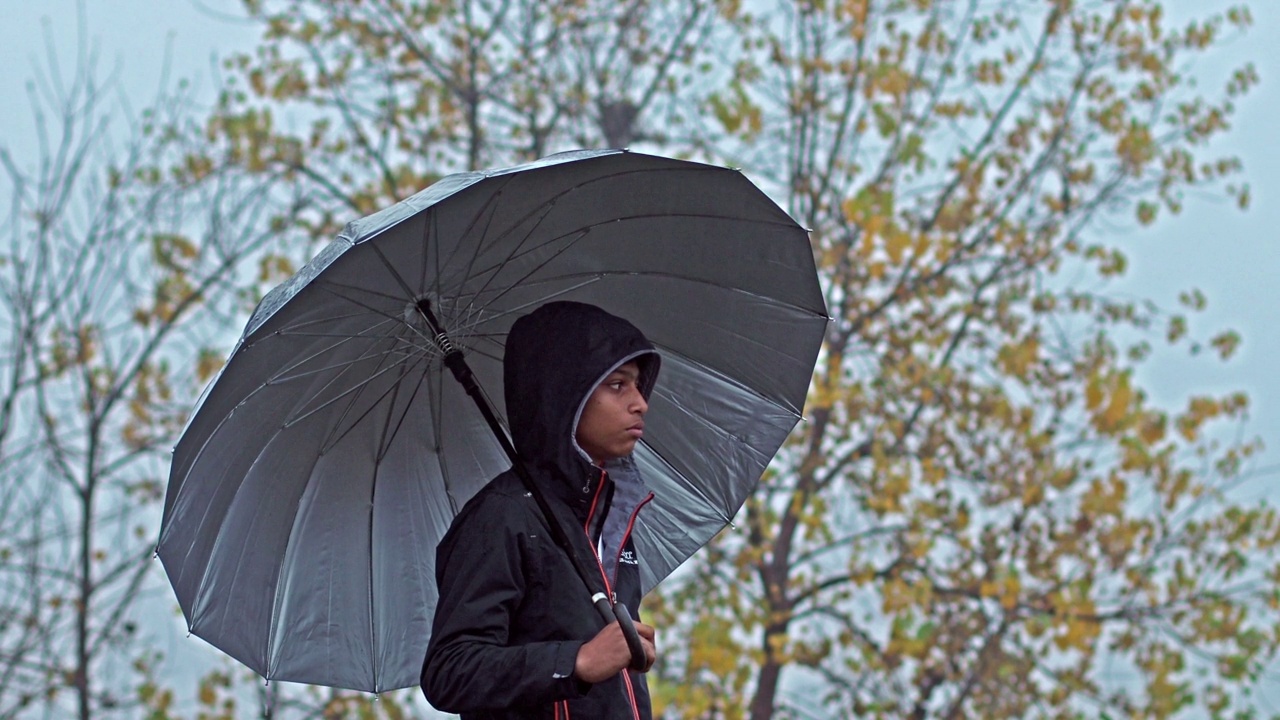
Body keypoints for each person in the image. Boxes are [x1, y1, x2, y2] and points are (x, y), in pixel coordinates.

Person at [421, 301, 661, 720]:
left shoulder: (607, 517)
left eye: (639, 385)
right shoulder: (502, 517)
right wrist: (576, 662)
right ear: (566, 394)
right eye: (618, 385)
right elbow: (449, 670)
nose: (640, 403)